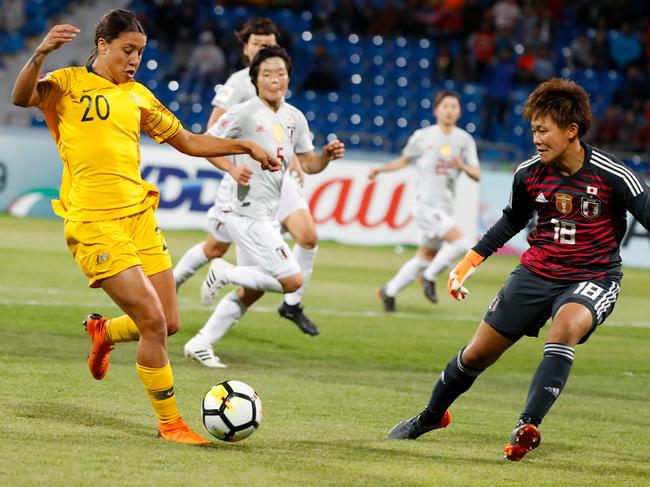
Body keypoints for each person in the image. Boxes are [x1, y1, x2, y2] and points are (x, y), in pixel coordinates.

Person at [11, 10, 279, 445]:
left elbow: (189, 141)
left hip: (138, 217)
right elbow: (22, 97)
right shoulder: (67, 84)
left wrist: (244, 145)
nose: (135, 59)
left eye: (140, 52)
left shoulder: (139, 96)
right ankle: (170, 424)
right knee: (152, 321)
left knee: (168, 322)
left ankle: (105, 331)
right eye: (128, 50)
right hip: (94, 223)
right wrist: (39, 54)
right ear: (103, 45)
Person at [387, 78, 650, 462]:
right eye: (533, 131)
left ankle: (527, 426)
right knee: (476, 355)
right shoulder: (528, 173)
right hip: (535, 275)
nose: (537, 139)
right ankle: (430, 417)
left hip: (593, 277)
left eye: (543, 131)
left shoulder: (613, 174)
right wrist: (469, 261)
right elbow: (511, 221)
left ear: (571, 130)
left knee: (565, 328)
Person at [183, 45, 345, 368]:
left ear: (289, 78)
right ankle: (223, 270)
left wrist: (325, 156)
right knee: (294, 281)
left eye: (281, 73)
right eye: (268, 74)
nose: (275, 80)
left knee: (253, 290)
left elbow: (308, 165)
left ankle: (201, 342)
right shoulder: (243, 112)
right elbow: (203, 143)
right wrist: (231, 168)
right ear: (255, 78)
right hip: (245, 213)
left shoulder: (293, 117)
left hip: (267, 215)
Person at [173, 17, 322, 337]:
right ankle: (171, 287)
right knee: (216, 250)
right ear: (245, 49)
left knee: (307, 237)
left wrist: (295, 159)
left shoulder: (280, 85)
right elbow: (211, 134)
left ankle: (291, 302)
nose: (264, 50)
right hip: (246, 183)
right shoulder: (240, 83)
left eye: (269, 45)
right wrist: (230, 165)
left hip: (277, 180)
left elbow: (279, 130)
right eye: (258, 44)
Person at [369, 91, 480, 312]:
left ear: (459, 111)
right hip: (426, 205)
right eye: (445, 106)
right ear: (436, 110)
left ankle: (388, 291)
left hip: (445, 207)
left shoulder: (464, 140)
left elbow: (476, 174)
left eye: (453, 107)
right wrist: (380, 169)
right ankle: (428, 277)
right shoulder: (423, 136)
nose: (449, 110)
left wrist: (462, 166)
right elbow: (404, 160)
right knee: (461, 243)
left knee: (425, 256)